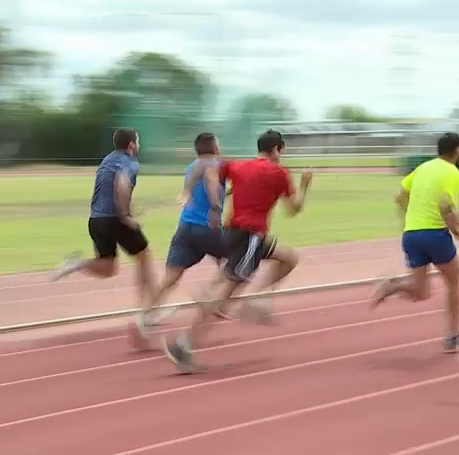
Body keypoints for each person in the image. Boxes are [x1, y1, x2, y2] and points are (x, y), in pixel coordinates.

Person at [162, 129, 311, 374]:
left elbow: (204, 165)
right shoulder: (280, 173)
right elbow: (294, 210)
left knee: (289, 258)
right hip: (250, 236)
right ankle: (183, 344)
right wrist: (305, 186)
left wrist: (188, 190)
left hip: (233, 232)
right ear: (277, 150)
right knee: (225, 297)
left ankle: (248, 297)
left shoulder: (237, 167)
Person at [370, 132, 459, 353]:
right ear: (457, 150)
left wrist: (407, 219)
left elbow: (399, 196)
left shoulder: (423, 168)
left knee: (421, 292)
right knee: (454, 282)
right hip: (435, 234)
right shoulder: (454, 174)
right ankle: (453, 338)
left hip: (411, 234)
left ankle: (393, 286)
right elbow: (446, 208)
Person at [50, 128, 157, 333]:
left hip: (96, 220)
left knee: (108, 267)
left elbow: (109, 188)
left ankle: (77, 264)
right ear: (132, 145)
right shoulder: (130, 162)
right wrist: (125, 216)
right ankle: (148, 311)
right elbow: (122, 185)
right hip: (114, 219)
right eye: (138, 142)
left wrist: (129, 211)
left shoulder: (108, 160)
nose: (139, 145)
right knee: (144, 256)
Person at [136, 133, 231, 345]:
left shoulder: (191, 167)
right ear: (214, 147)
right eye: (219, 143)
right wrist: (216, 207)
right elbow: (211, 181)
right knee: (238, 260)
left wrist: (223, 194)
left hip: (185, 227)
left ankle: (145, 316)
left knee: (170, 278)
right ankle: (209, 297)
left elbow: (204, 188)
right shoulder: (213, 164)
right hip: (206, 225)